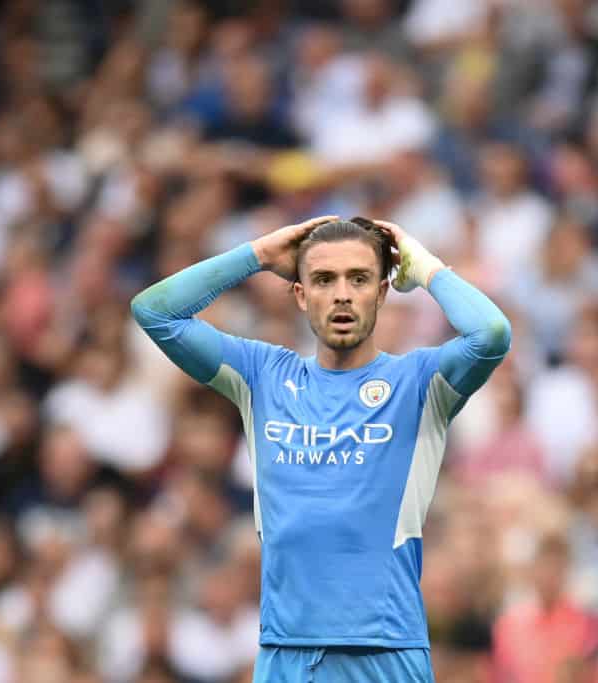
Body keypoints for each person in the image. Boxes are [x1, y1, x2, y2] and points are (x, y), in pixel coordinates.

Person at [130, 215, 511, 682]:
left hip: (384, 653)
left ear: (384, 292)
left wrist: (424, 267)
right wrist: (258, 255)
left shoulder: (418, 382)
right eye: (324, 279)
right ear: (300, 294)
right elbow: (155, 312)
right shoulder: (263, 376)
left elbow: (491, 333)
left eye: (360, 278)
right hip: (284, 654)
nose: (343, 294)